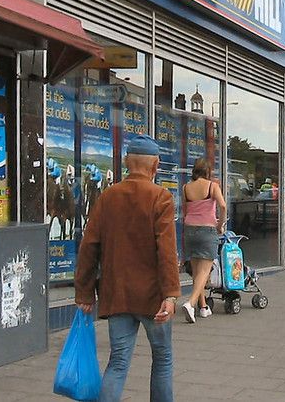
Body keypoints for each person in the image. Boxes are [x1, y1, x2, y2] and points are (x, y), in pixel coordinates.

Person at [75, 134, 180, 402]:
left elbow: (89, 245)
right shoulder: (161, 197)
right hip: (153, 297)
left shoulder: (108, 196)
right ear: (155, 165)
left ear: (126, 163)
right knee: (163, 359)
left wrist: (85, 292)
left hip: (118, 293)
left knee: (118, 361)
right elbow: (166, 250)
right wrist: (170, 295)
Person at [181, 157, 227, 323]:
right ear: (208, 171)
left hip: (189, 230)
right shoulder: (212, 186)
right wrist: (220, 225)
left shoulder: (186, 187)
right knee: (205, 271)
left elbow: (185, 211)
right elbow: (222, 206)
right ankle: (190, 303)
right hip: (207, 229)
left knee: (196, 270)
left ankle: (203, 307)